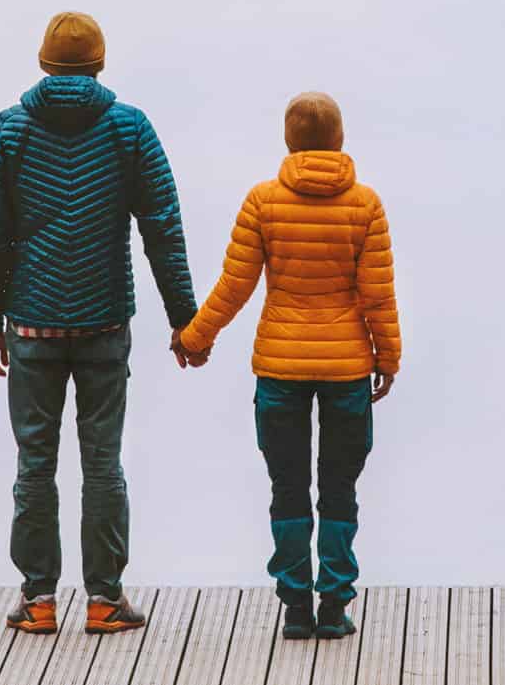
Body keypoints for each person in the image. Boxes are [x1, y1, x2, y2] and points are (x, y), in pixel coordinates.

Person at [0, 11, 200, 636]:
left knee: (33, 463)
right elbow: (162, 229)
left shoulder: (10, 130)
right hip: (103, 324)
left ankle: (39, 601)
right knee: (104, 462)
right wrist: (185, 319)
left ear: (44, 64)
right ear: (99, 64)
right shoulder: (130, 129)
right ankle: (103, 601)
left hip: (32, 326)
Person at [172, 91, 401, 641]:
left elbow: (236, 285)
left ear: (288, 141)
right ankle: (334, 606)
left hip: (280, 368)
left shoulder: (263, 201)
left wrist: (195, 337)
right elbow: (378, 296)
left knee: (288, 486)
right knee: (339, 488)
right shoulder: (365, 205)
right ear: (340, 139)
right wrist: (387, 357)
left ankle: (296, 607)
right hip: (347, 368)